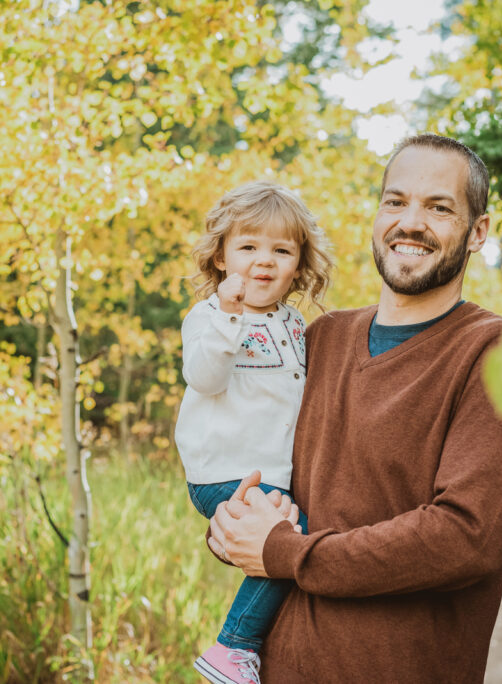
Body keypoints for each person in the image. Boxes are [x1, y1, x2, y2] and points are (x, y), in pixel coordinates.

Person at [208, 134, 502, 683]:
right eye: (396, 201)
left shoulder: (495, 353)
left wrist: (288, 553)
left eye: (438, 207)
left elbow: (466, 538)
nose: (410, 222)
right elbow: (254, 464)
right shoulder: (320, 338)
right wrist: (232, 521)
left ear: (478, 231)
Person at [176, 180, 333, 684]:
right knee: (293, 538)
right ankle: (232, 646)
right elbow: (205, 377)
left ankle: (252, 647)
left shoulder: (292, 324)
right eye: (247, 247)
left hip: (270, 474)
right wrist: (230, 316)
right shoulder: (207, 317)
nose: (263, 261)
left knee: (290, 538)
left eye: (280, 250)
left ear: (297, 264)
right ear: (221, 258)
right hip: (222, 470)